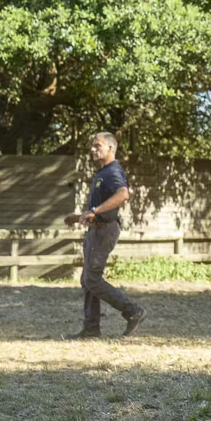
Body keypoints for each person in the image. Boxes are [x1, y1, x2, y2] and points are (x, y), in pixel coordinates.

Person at [63, 132, 147, 338]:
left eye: (97, 146)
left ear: (110, 148)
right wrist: (78, 217)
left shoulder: (113, 171)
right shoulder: (102, 173)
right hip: (96, 230)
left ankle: (133, 311)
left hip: (105, 230)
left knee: (92, 279)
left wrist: (96, 211)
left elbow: (123, 194)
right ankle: (91, 328)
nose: (93, 149)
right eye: (92, 146)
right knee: (87, 280)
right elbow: (96, 209)